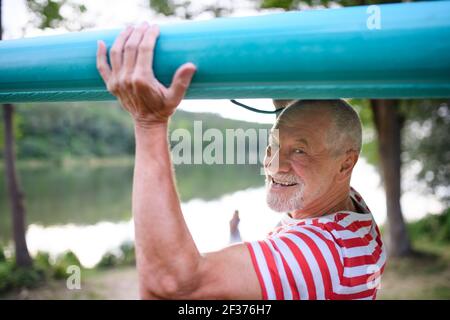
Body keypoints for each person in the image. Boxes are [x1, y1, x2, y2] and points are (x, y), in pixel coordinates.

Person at [96, 22, 386, 300]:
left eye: (299, 151)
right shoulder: (348, 214)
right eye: (273, 145)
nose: (274, 165)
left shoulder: (324, 254)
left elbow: (169, 288)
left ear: (346, 164)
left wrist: (150, 122)